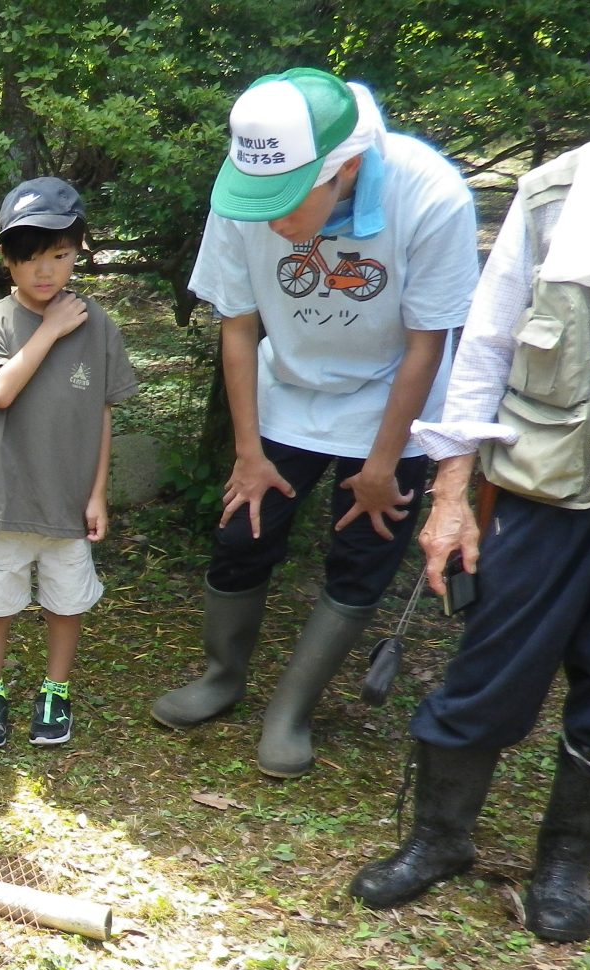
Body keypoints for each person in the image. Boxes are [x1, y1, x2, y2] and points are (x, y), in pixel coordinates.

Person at [351, 0, 590, 942]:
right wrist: (449, 496)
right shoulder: (558, 190)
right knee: (487, 672)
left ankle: (564, 865)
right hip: (542, 486)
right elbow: (482, 345)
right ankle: (440, 840)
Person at [151, 68, 480, 777]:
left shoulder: (431, 195)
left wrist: (383, 465)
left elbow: (429, 343)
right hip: (286, 390)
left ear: (347, 168)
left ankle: (291, 710)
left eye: (287, 202)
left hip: (393, 401)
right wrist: (247, 451)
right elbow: (237, 327)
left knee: (363, 553)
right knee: (243, 533)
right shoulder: (249, 180)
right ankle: (222, 677)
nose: (271, 220)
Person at [0, 178, 136, 748]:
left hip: (70, 497)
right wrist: (53, 328)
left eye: (59, 255)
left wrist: (98, 491)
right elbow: (1, 392)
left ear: (78, 251)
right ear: (7, 260)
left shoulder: (99, 324)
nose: (46, 272)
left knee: (67, 598)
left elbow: (104, 411)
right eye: (31, 258)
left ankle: (55, 690)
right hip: (8, 497)